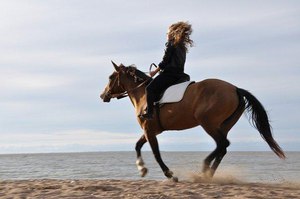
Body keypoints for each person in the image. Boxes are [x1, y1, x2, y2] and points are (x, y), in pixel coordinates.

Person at [139, 21, 194, 120]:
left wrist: (155, 72)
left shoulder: (171, 43)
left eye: (167, 33)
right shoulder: (182, 46)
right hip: (180, 75)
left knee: (149, 89)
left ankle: (150, 113)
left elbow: (165, 61)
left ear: (172, 33)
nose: (166, 35)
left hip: (170, 75)